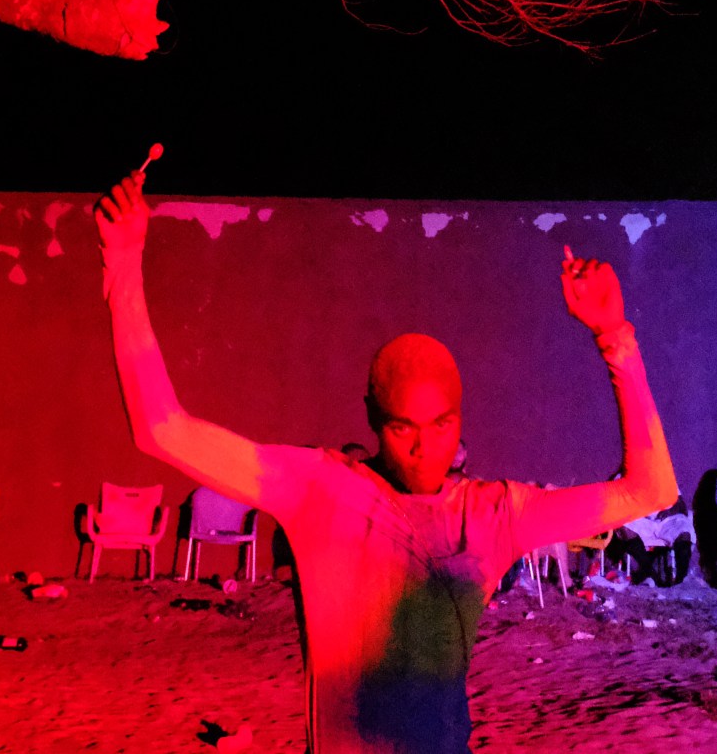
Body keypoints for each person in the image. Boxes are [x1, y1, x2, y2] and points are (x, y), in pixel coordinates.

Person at [95, 169, 677, 754]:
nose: (424, 449)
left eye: (441, 426)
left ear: (461, 420)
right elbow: (161, 429)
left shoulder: (493, 513)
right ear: (372, 419)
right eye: (403, 428)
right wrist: (122, 262)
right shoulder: (318, 489)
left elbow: (650, 490)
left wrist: (615, 337)